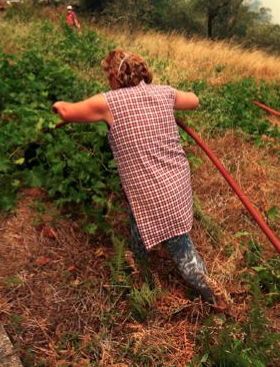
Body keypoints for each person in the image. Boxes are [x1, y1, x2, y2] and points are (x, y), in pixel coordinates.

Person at [52, 50, 223, 308]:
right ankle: (139, 265)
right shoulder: (164, 93)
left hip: (151, 189)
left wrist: (54, 105)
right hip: (175, 181)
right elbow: (194, 100)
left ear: (114, 77)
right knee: (139, 217)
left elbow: (65, 111)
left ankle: (215, 296)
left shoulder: (108, 102)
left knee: (182, 249)